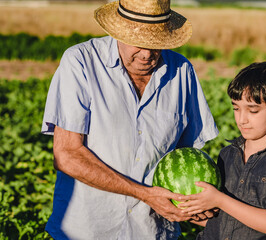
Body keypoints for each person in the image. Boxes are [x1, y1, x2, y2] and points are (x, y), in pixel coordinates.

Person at [41, 0, 218, 239]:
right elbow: (67, 155)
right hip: (88, 231)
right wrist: (145, 194)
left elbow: (184, 156)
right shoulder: (81, 63)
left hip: (153, 232)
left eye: (155, 44)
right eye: (137, 42)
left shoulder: (182, 72)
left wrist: (194, 205)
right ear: (117, 31)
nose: (146, 54)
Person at [178, 62, 266, 239]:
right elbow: (224, 218)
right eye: (236, 108)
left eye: (253, 110)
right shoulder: (227, 155)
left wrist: (219, 199)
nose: (242, 119)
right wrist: (192, 210)